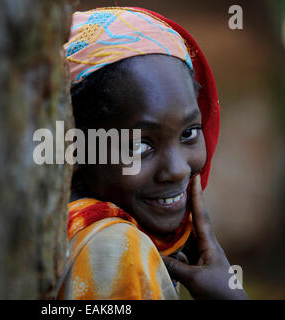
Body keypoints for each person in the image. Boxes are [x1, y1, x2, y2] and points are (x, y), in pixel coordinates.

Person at [56, 6, 248, 300]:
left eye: (188, 133)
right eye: (140, 145)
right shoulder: (117, 250)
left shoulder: (58, 230)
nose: (178, 169)